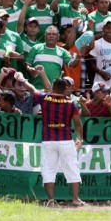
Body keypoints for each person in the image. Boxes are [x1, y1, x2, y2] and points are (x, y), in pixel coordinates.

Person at [34, 77, 85, 207]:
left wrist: (22, 79)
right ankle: (75, 199)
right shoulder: (70, 103)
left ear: (52, 86)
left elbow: (32, 89)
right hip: (66, 140)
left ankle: (51, 200)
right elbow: (78, 123)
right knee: (72, 168)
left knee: (48, 170)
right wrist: (80, 138)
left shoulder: (44, 99)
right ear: (65, 89)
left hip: (48, 140)